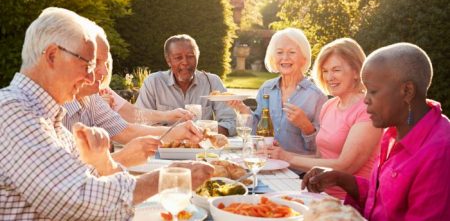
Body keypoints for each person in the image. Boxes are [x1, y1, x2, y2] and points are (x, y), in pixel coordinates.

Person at [0, 7, 213, 220]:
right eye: (87, 64)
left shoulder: (47, 114)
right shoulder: (12, 111)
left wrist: (107, 162)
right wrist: (168, 178)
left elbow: (89, 178)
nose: (92, 77)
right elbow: (80, 201)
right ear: (53, 55)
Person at [302, 43, 450, 220]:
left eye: (372, 91)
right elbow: (382, 198)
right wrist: (339, 179)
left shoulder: (440, 151)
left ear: (407, 91)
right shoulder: (392, 131)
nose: (365, 101)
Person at [63, 23, 204, 167]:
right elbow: (64, 175)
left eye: (106, 64)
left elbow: (126, 129)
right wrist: (122, 157)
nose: (105, 73)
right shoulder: (49, 108)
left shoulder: (90, 99)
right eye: (95, 62)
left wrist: (177, 131)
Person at [266, 38, 382, 199]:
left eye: (336, 70)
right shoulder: (329, 105)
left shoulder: (367, 109)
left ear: (356, 72)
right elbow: (321, 159)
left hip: (350, 201)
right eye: (325, 71)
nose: (329, 77)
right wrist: (280, 154)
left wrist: (287, 157)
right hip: (319, 194)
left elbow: (345, 166)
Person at [228, 28, 328, 157]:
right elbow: (256, 131)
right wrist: (242, 109)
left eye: (292, 52)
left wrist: (306, 126)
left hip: (298, 171)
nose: (285, 58)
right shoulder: (266, 89)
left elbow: (322, 149)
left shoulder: (316, 96)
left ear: (304, 58)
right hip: (266, 162)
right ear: (273, 57)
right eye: (279, 52)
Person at [135, 34, 236, 136]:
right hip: (163, 147)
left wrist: (201, 132)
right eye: (178, 57)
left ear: (197, 57)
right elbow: (141, 121)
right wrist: (175, 133)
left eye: (190, 56)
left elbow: (230, 122)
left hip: (202, 147)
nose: (185, 62)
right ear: (168, 61)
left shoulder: (213, 81)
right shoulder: (153, 82)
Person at [99, 52, 195, 125]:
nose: (105, 72)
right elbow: (125, 132)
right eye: (96, 64)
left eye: (107, 65)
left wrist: (168, 115)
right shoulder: (93, 95)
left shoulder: (103, 90)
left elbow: (134, 114)